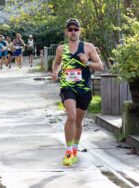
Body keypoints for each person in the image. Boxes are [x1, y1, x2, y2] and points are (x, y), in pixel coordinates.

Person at [52, 18, 103, 166]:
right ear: (66, 32)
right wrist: (56, 71)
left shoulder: (88, 47)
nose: (73, 32)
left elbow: (100, 66)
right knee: (71, 117)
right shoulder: (61, 49)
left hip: (84, 89)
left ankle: (75, 149)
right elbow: (57, 62)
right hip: (67, 87)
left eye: (76, 29)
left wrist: (87, 62)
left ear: (80, 31)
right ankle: (68, 153)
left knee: (79, 122)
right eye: (70, 29)